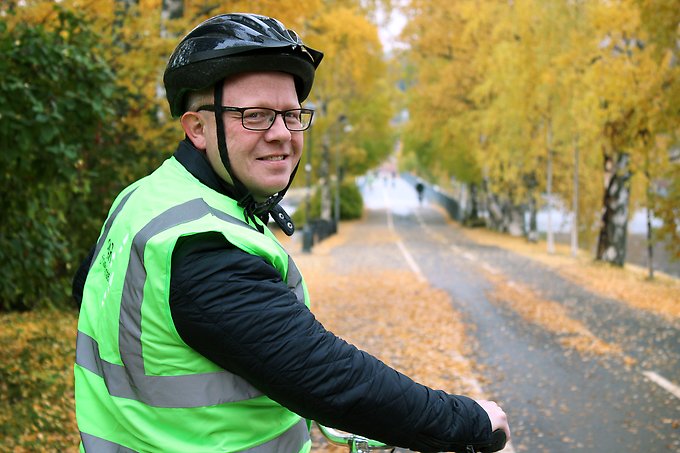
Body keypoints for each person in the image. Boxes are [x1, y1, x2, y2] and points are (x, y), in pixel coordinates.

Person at [73, 12, 510, 453]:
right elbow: (326, 376)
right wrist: (470, 421)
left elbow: (93, 292)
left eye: (291, 114)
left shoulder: (147, 198)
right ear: (197, 128)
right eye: (256, 115)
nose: (282, 134)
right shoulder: (203, 249)